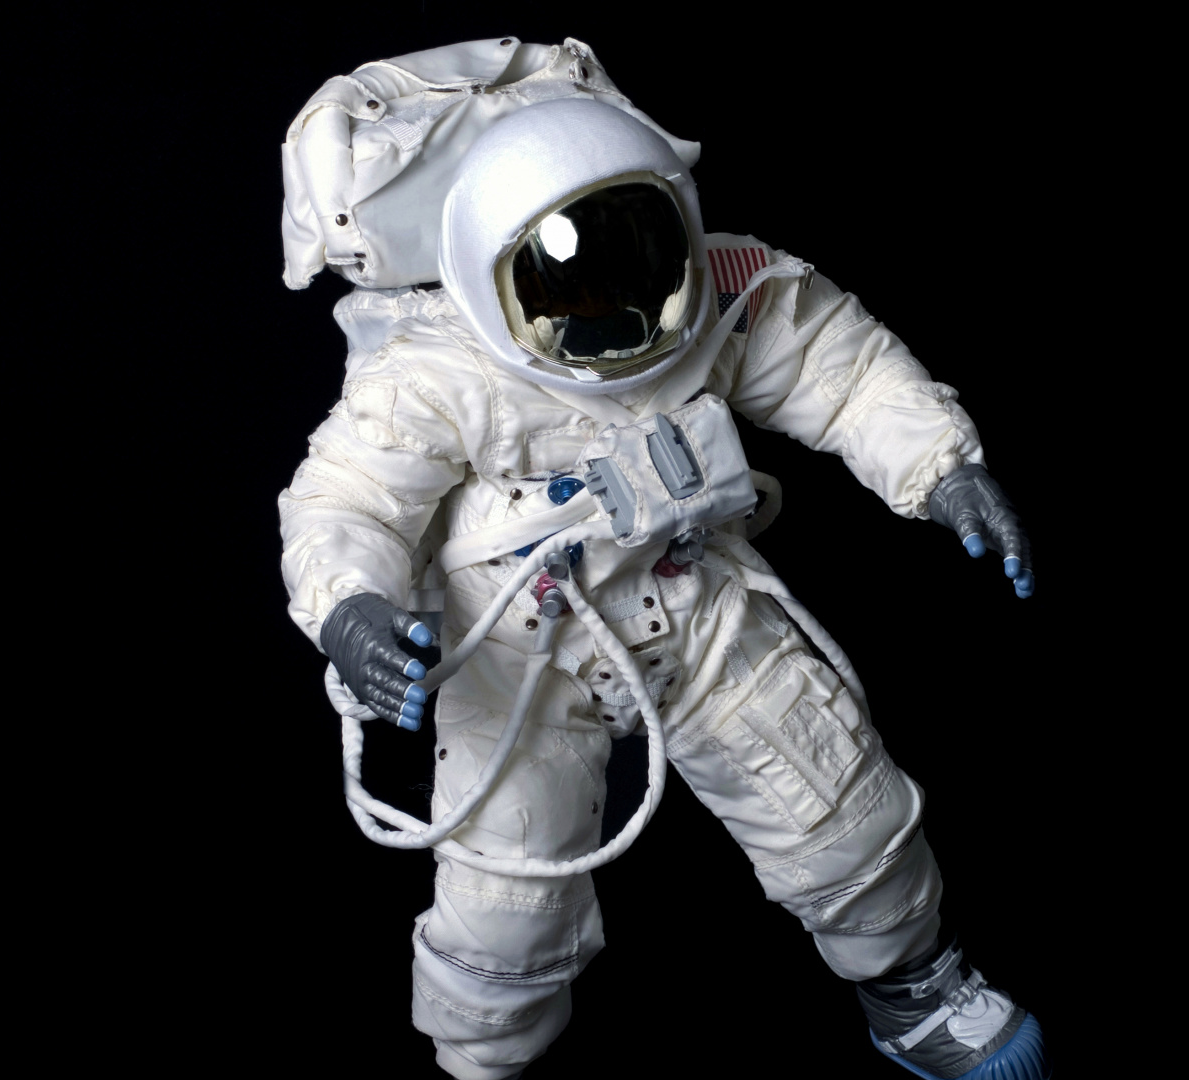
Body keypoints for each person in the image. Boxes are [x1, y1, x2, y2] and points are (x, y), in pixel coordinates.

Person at [278, 39, 1046, 1080]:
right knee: (506, 904)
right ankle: (482, 1061)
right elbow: (348, 500)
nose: (609, 306)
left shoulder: (719, 287)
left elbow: (839, 366)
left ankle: (913, 987)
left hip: (695, 600)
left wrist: (941, 467)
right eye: (565, 284)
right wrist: (351, 608)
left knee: (838, 804)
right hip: (521, 652)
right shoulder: (436, 372)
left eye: (633, 259)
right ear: (482, 276)